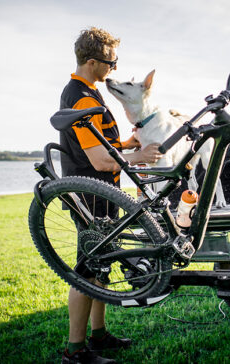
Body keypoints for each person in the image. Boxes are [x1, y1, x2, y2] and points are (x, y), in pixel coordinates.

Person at [58, 27, 162, 364]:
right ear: (92, 62)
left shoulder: (89, 90)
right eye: (111, 64)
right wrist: (138, 158)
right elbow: (99, 160)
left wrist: (126, 145)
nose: (114, 70)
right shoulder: (82, 97)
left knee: (101, 265)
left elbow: (102, 144)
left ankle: (99, 335)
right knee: (87, 269)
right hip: (90, 195)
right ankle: (75, 351)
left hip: (103, 192)